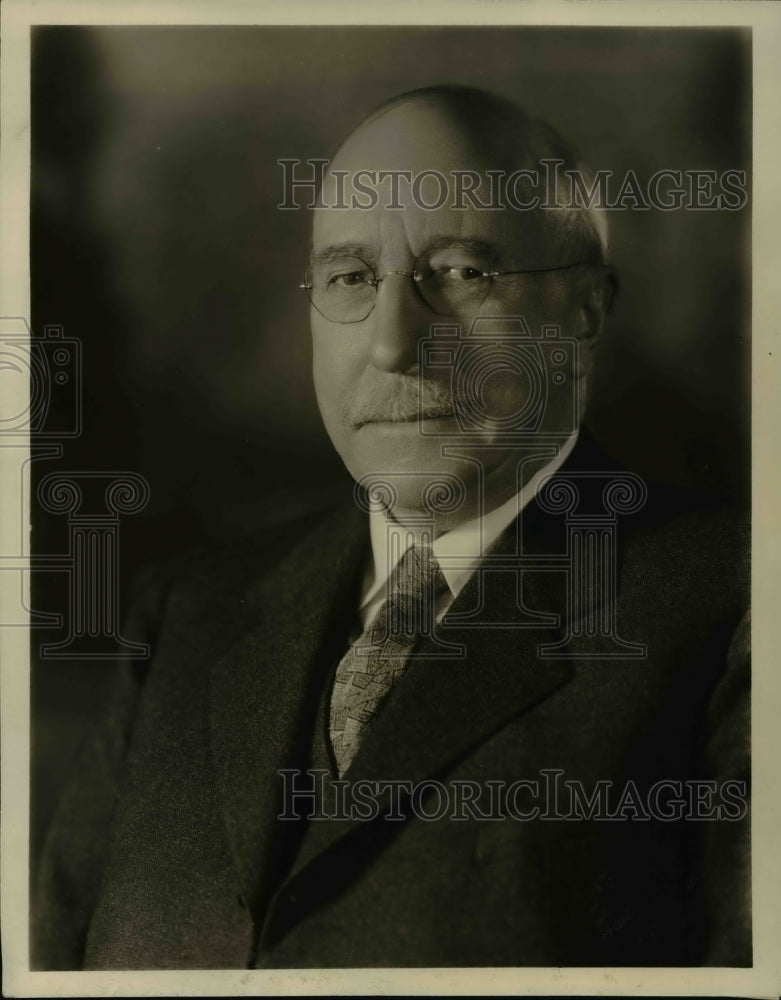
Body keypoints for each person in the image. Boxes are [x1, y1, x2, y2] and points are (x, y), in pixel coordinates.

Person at [32, 85, 750, 970]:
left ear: (583, 314)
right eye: (349, 279)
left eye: (458, 274)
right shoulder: (183, 617)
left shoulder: (736, 610)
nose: (389, 342)